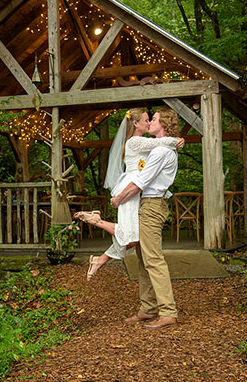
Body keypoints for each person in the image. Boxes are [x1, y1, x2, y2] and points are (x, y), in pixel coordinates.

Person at [75, 108, 183, 281]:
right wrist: (175, 140)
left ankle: (99, 259)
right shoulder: (134, 141)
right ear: (135, 123)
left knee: (134, 238)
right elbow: (159, 143)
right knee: (130, 236)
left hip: (138, 190)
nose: (149, 123)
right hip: (131, 188)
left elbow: (157, 150)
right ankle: (96, 221)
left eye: (151, 120)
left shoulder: (142, 141)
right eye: (147, 120)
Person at [110, 108, 181, 329]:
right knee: (143, 259)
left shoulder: (161, 152)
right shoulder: (159, 149)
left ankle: (168, 312)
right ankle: (148, 308)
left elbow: (141, 182)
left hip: (151, 205)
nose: (150, 122)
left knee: (153, 259)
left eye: (155, 119)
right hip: (145, 205)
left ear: (165, 124)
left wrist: (119, 198)